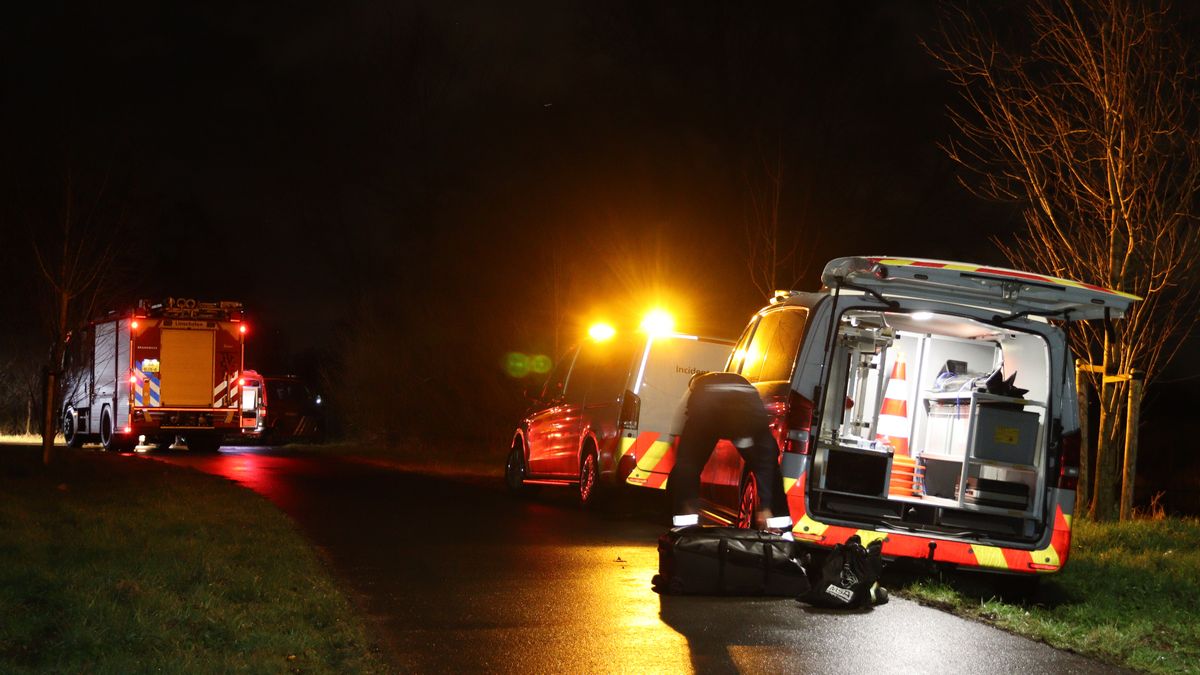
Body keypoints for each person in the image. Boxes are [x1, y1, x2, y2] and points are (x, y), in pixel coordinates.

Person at [668, 372, 792, 536]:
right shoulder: (745, 398)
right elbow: (766, 464)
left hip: (710, 408)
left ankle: (684, 529)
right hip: (745, 407)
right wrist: (766, 506)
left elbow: (686, 461)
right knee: (768, 466)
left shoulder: (699, 390)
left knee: (688, 465)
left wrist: (687, 501)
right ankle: (782, 532)